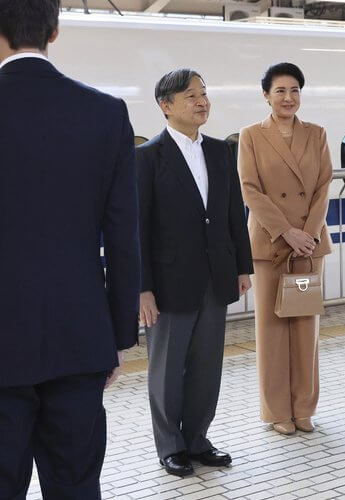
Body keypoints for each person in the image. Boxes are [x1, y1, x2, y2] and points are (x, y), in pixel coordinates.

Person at [0, 1, 140, 498]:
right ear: (54, 30)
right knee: (76, 486)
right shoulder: (104, 113)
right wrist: (118, 338)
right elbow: (125, 235)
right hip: (79, 339)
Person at [136, 69, 253, 476]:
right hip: (169, 283)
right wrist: (142, 289)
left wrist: (242, 266)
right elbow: (139, 229)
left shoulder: (221, 152)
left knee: (207, 365)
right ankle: (170, 446)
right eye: (191, 96)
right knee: (166, 367)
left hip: (215, 276)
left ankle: (198, 439)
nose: (202, 102)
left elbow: (232, 214)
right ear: (165, 106)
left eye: (204, 94)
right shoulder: (147, 158)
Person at [238, 63, 333, 436]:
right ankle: (277, 411)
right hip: (271, 245)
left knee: (306, 326)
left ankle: (304, 407)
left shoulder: (318, 134)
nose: (288, 98)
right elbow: (250, 189)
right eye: (280, 91)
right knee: (273, 329)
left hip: (308, 247)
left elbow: (324, 185)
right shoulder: (250, 136)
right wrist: (287, 232)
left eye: (295, 90)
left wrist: (307, 234)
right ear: (266, 95)